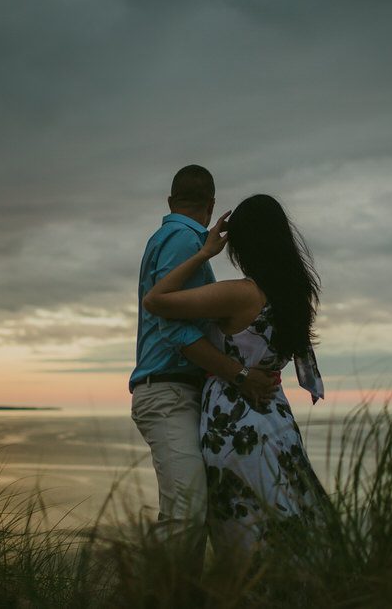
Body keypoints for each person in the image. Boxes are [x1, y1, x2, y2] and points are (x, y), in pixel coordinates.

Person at [143, 193, 328, 558]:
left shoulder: (241, 294)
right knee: (291, 521)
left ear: (242, 244)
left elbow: (156, 301)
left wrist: (203, 253)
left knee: (244, 538)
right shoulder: (297, 294)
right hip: (277, 419)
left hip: (234, 423)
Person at [129, 166, 278, 572]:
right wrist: (241, 375)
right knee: (185, 516)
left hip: (179, 392)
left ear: (170, 201)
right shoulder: (184, 239)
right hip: (168, 393)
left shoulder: (169, 237)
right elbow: (174, 330)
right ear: (212, 205)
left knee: (196, 514)